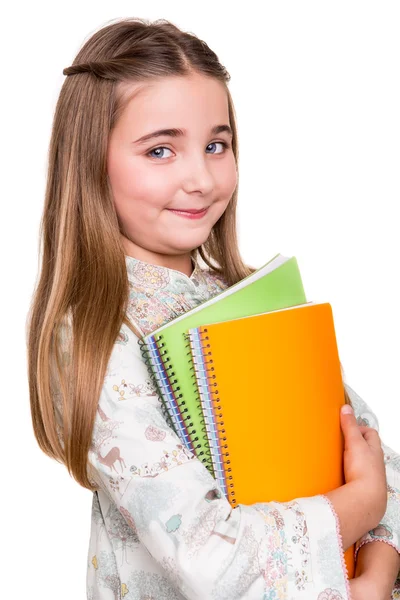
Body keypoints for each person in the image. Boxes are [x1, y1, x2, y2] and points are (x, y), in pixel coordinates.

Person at [26, 16, 400, 600]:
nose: (201, 177)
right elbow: (209, 561)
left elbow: (372, 450)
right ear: (91, 162)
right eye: (160, 150)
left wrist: (378, 570)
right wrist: (361, 505)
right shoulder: (97, 336)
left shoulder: (249, 300)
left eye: (216, 145)